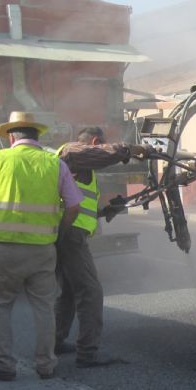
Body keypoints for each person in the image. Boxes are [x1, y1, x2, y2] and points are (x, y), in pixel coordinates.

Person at [0, 111, 83, 381]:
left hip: (4, 248)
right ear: (37, 135)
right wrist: (58, 232)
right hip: (43, 249)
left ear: (11, 136)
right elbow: (74, 206)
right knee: (44, 308)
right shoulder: (54, 163)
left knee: (0, 306)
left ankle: (4, 367)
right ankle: (46, 366)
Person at [54, 127, 150, 367]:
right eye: (99, 145)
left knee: (67, 290)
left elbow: (78, 200)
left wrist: (104, 211)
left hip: (65, 232)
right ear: (95, 142)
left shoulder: (77, 166)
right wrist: (133, 149)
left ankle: (55, 342)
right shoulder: (72, 151)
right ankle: (87, 353)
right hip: (70, 234)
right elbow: (105, 154)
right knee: (90, 291)